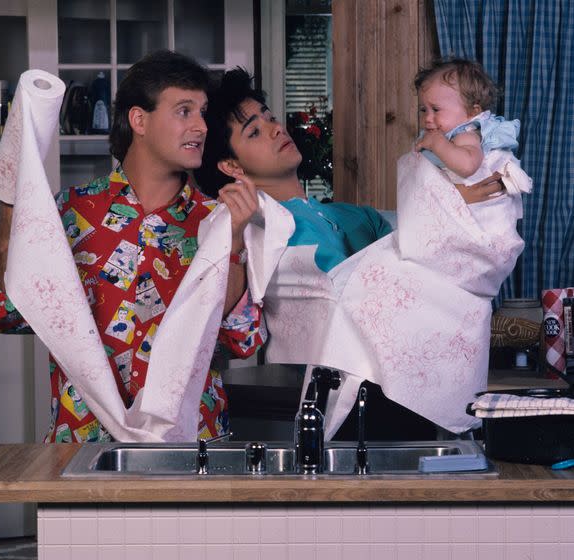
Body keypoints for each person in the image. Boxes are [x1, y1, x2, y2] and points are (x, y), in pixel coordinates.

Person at [194, 68, 507, 440]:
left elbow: (428, 253)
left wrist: (458, 201)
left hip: (411, 381)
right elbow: (233, 325)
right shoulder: (261, 230)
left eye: (271, 118)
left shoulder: (353, 215)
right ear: (232, 166)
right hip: (343, 397)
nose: (277, 128)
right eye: (255, 131)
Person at [0, 50, 264, 443]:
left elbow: (240, 339)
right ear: (139, 119)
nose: (201, 125)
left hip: (192, 445)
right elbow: (5, 313)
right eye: (184, 110)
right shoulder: (68, 213)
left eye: (202, 112)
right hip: (81, 444)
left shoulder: (219, 219)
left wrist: (233, 243)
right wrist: (13, 203)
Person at [414, 58, 520, 184]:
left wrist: (436, 143)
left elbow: (467, 166)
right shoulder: (443, 133)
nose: (427, 118)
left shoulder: (466, 134)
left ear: (472, 112)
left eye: (436, 109)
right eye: (423, 110)